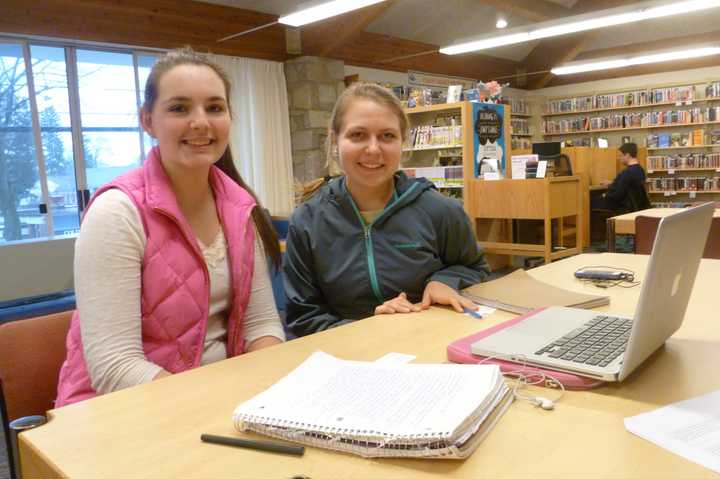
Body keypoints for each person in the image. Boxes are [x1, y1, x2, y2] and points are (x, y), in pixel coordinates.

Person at [55, 48, 285, 407]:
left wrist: (266, 391)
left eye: (214, 107)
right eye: (179, 108)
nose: (200, 123)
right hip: (120, 410)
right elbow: (114, 366)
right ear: (148, 121)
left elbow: (262, 325)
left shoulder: (240, 208)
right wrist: (209, 403)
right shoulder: (116, 212)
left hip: (225, 399)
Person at [284, 82, 489, 337]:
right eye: (358, 135)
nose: (373, 149)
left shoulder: (440, 210)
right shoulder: (307, 221)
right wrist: (371, 328)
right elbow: (303, 317)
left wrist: (444, 281)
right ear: (335, 139)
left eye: (387, 136)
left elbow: (474, 266)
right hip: (347, 355)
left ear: (403, 141)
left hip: (431, 342)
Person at [596, 142, 650, 211]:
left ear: (627, 155)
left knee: (593, 201)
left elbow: (617, 195)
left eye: (620, 155)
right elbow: (628, 186)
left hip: (624, 208)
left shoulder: (626, 173)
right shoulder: (640, 170)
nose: (619, 158)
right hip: (636, 207)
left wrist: (605, 195)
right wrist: (612, 183)